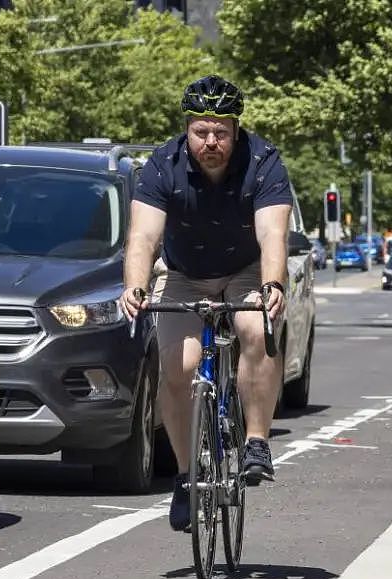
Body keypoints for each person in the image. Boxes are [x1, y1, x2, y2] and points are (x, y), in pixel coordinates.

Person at [119, 74, 293, 532]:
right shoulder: (162, 165)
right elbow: (143, 236)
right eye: (201, 131)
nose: (211, 141)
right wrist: (135, 286)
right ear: (187, 129)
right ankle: (184, 476)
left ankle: (256, 442)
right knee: (178, 367)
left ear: (236, 131)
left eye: (221, 132)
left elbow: (273, 233)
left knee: (258, 330)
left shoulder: (264, 161)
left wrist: (273, 285)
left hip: (246, 270)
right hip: (182, 274)